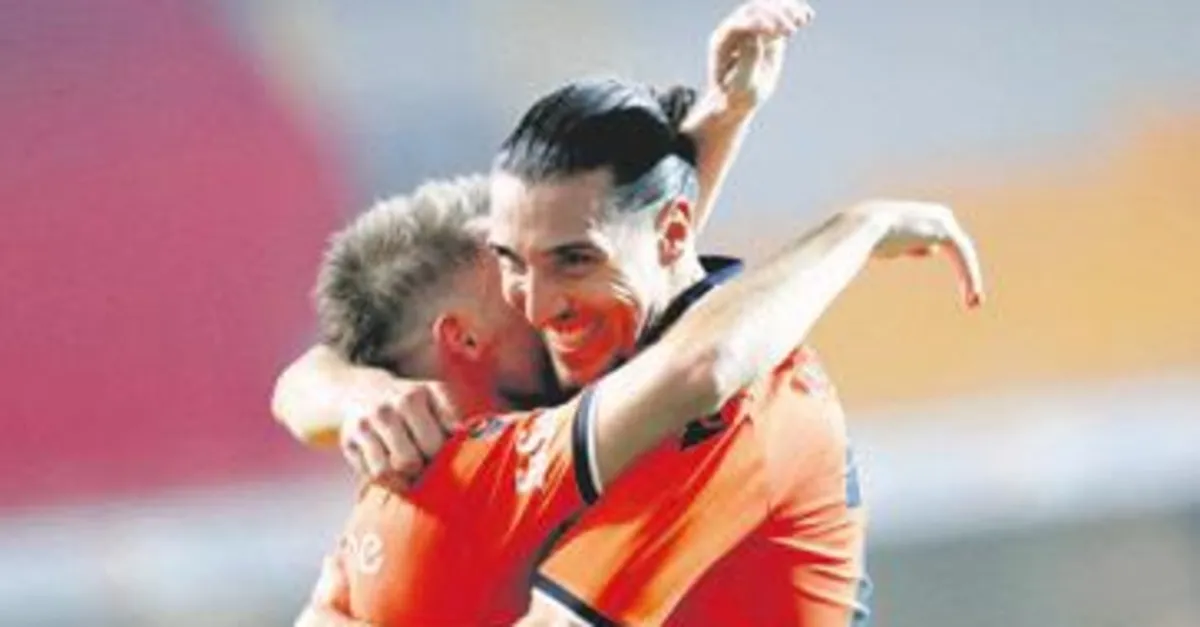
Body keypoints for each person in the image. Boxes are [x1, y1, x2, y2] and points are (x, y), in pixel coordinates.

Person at [296, 175, 982, 626]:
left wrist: (342, 383)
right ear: (463, 337)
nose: (543, 298)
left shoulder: (378, 510)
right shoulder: (515, 461)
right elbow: (698, 362)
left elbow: (647, 271)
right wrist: (858, 229)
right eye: (511, 274)